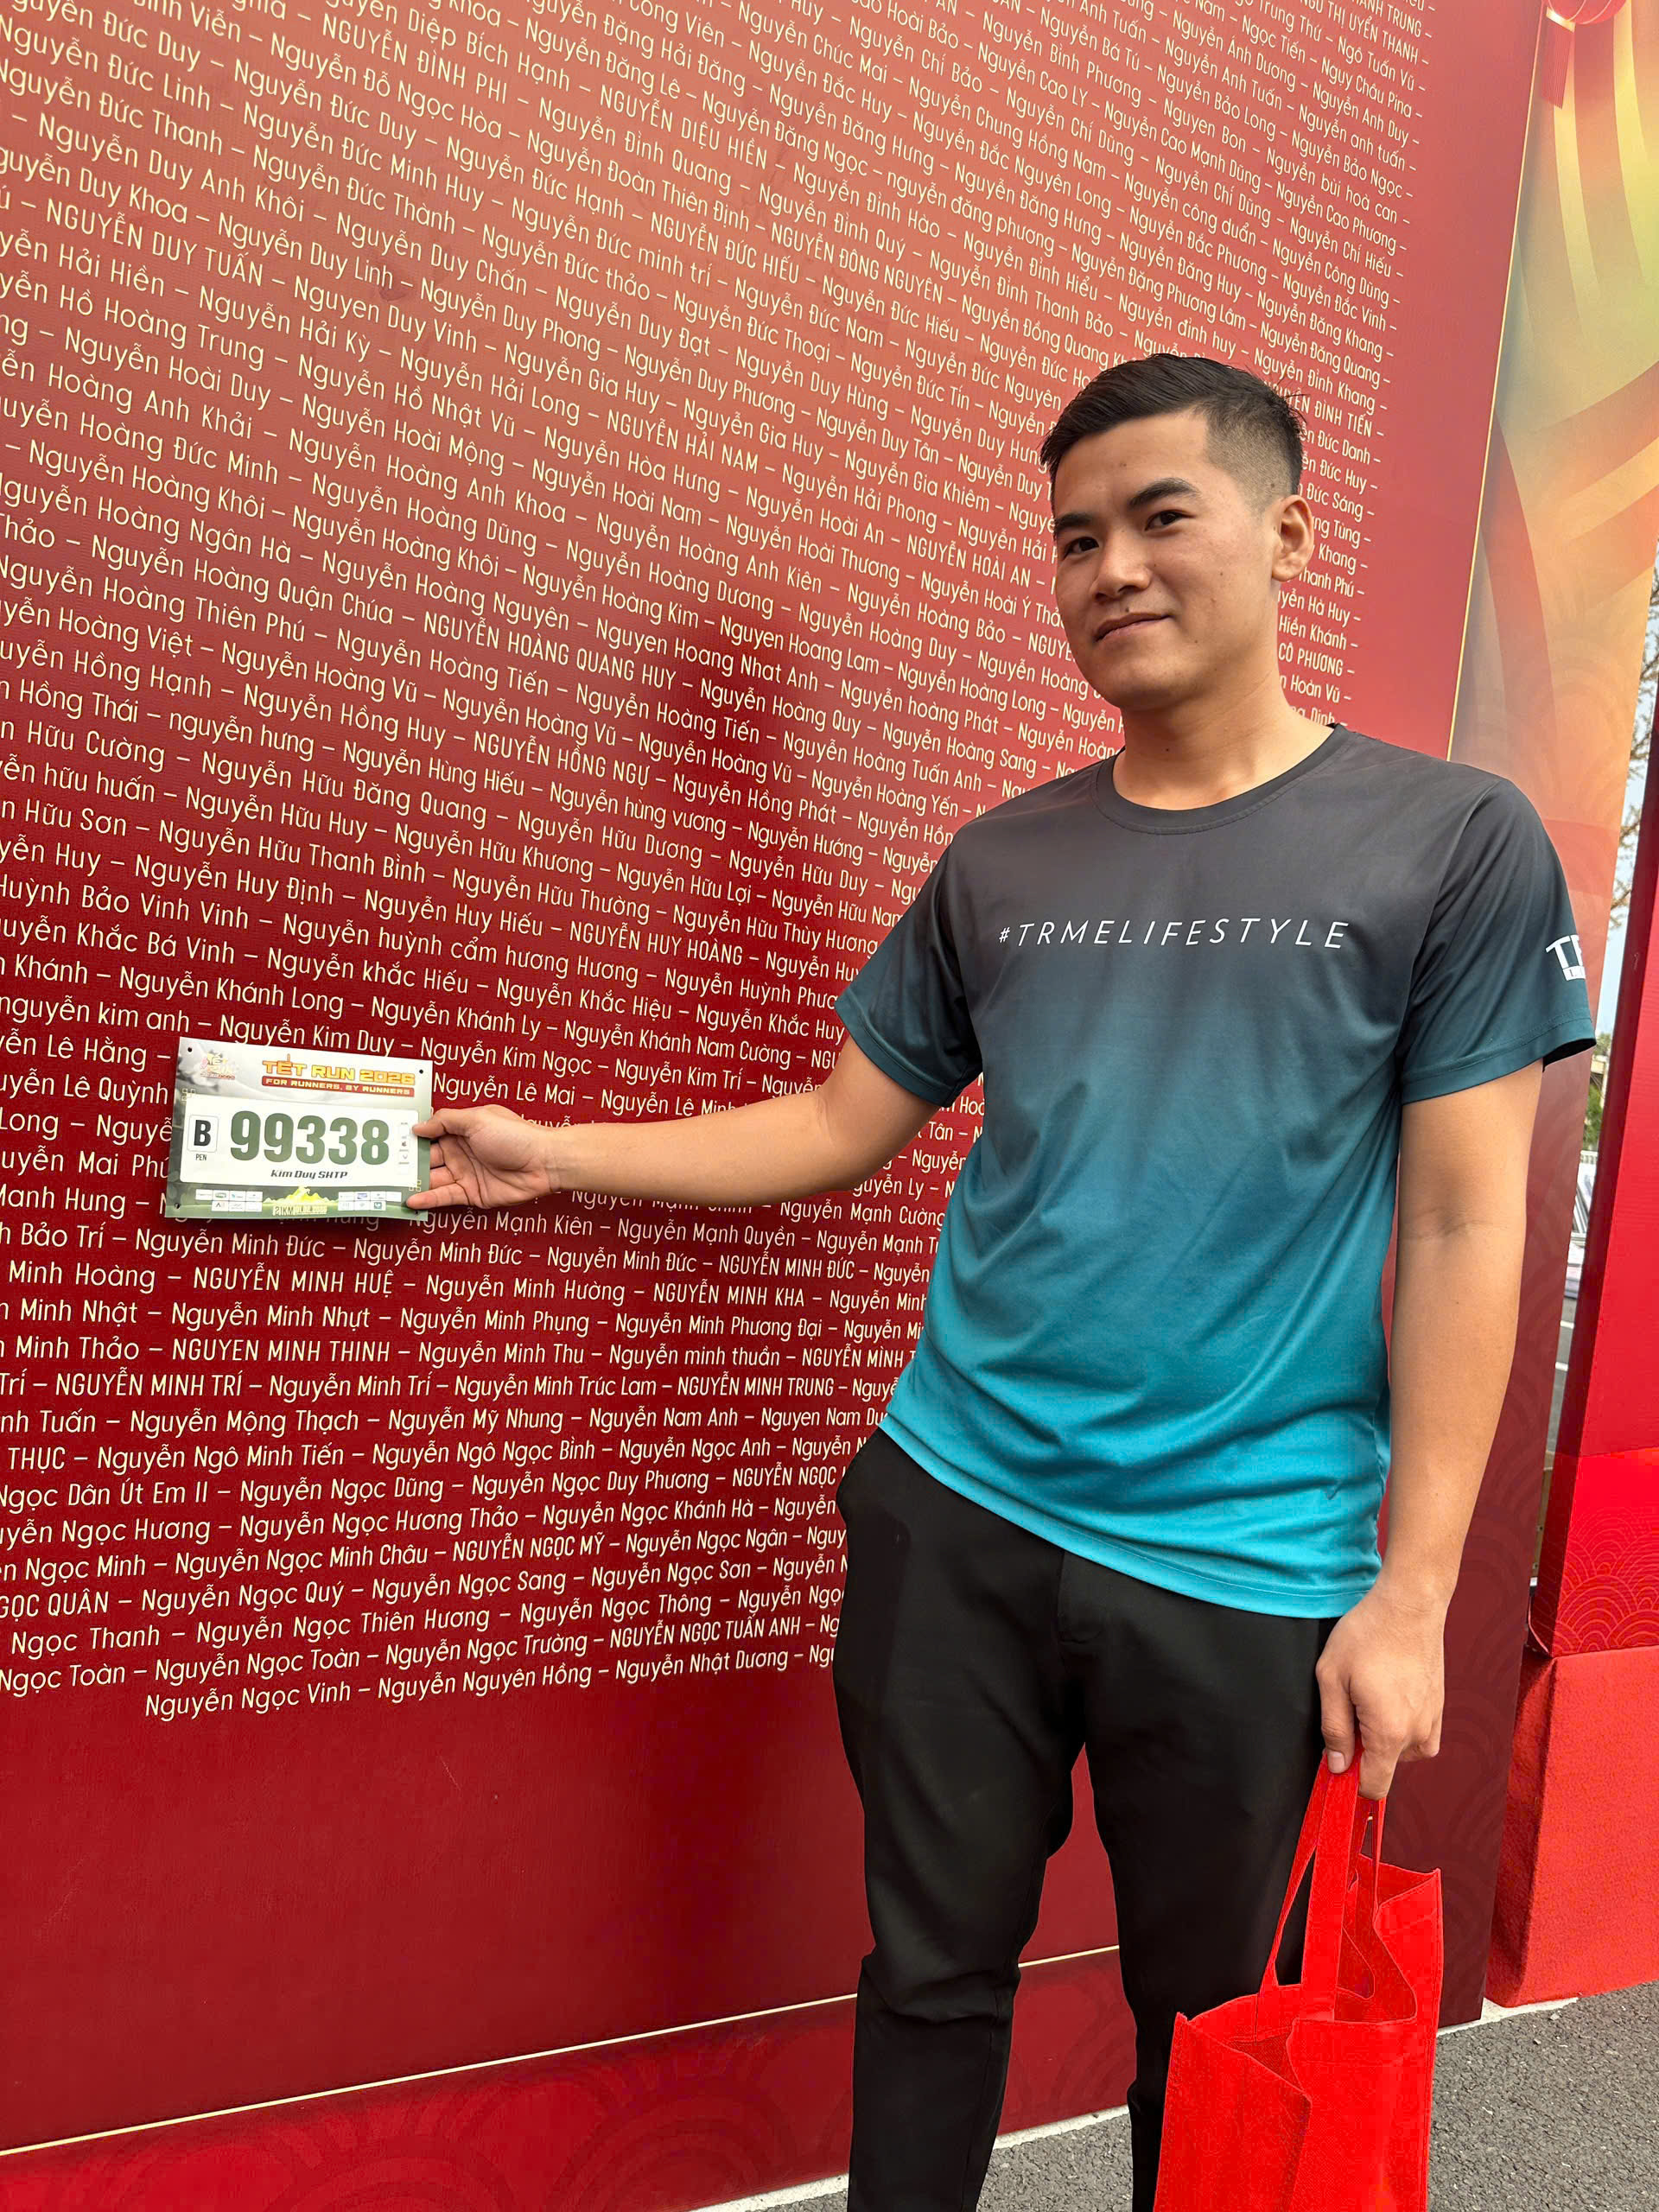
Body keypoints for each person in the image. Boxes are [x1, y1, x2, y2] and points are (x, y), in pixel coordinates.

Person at [407, 354, 1596, 2211]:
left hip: (1246, 1562)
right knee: (926, 1976)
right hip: (955, 1513)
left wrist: (1415, 1590)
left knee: (1221, 2037)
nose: (1111, 568)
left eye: (1160, 517)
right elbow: (836, 1121)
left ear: (1287, 533)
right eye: (1074, 537)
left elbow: (1462, 1227)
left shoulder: (1448, 842)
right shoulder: (1003, 858)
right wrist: (550, 1151)